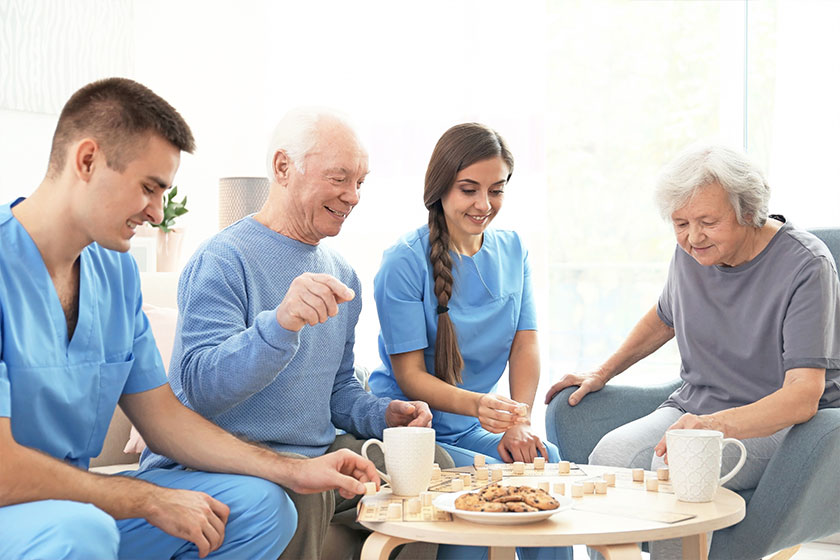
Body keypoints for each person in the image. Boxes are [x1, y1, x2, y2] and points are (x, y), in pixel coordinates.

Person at [0, 78, 381, 560]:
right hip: (22, 508)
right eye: (148, 188)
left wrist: (292, 471)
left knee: (265, 508)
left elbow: (164, 417)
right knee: (83, 531)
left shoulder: (114, 272)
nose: (159, 213)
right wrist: (148, 497)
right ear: (87, 160)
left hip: (81, 506)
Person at [140, 107, 454, 559]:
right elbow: (200, 388)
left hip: (313, 450)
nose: (353, 196)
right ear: (283, 168)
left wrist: (384, 415)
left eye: (360, 182)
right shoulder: (223, 259)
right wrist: (280, 324)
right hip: (226, 458)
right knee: (306, 490)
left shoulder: (341, 271)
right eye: (339, 178)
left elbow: (337, 390)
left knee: (431, 468)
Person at [545, 144, 840, 558]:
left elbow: (803, 396)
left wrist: (714, 426)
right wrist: (603, 370)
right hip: (695, 408)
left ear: (747, 212)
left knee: (679, 467)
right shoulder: (692, 253)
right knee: (609, 455)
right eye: (680, 223)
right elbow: (664, 316)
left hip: (781, 425)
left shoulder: (807, 266)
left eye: (708, 222)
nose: (692, 236)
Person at [370, 123, 571, 560]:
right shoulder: (403, 262)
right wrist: (480, 406)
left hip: (476, 423)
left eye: (496, 190)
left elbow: (525, 345)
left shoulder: (514, 249)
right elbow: (409, 376)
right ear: (441, 188)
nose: (484, 205)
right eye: (468, 190)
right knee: (487, 485)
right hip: (415, 428)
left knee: (544, 461)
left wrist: (519, 419)